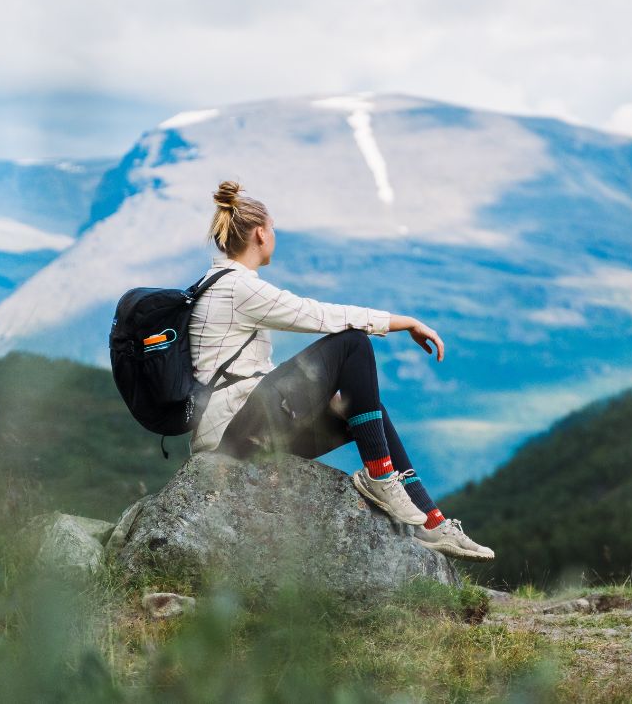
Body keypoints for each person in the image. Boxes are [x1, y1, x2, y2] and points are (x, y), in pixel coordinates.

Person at [186, 180, 494, 562]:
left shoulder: (212, 284)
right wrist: (405, 322)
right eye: (273, 229)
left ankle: (430, 522)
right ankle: (381, 478)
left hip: (240, 433)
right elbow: (319, 315)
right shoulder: (238, 288)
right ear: (261, 234)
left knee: (365, 410)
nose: (274, 236)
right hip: (233, 440)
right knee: (352, 344)